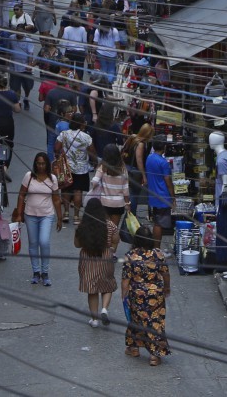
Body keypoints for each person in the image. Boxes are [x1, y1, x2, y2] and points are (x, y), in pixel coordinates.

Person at [122, 229, 171, 365]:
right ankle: (154, 355)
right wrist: (167, 287)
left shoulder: (130, 256)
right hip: (155, 293)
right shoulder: (158, 255)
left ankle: (134, 348)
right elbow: (166, 274)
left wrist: (124, 296)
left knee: (136, 319)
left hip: (136, 293)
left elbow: (125, 279)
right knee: (154, 321)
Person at [14, 152, 63, 287]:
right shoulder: (29, 177)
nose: (41, 166)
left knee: (44, 241)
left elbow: (56, 199)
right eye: (38, 163)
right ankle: (36, 272)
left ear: (47, 164)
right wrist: (19, 213)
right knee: (33, 243)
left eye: (43, 163)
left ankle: (45, 272)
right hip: (30, 214)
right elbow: (21, 195)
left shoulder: (52, 179)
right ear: (35, 164)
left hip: (47, 215)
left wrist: (60, 217)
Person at [74, 198, 119, 327]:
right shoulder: (110, 225)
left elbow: (77, 245)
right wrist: (112, 249)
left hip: (88, 257)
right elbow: (116, 239)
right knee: (107, 284)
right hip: (105, 256)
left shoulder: (82, 226)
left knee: (92, 289)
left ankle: (94, 320)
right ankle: (104, 309)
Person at [56, 113, 94, 218]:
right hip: (81, 169)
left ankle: (66, 213)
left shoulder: (64, 134)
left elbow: (56, 148)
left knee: (66, 189)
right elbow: (92, 153)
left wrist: (61, 155)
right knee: (78, 191)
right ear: (81, 124)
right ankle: (76, 216)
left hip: (66, 167)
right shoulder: (86, 137)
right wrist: (94, 162)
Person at [144, 138, 175, 247]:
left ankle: (156, 248)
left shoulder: (149, 158)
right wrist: (173, 198)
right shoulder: (163, 163)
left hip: (153, 195)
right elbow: (168, 182)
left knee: (157, 222)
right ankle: (157, 249)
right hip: (163, 196)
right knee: (159, 224)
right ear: (164, 147)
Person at [89, 145, 130, 221]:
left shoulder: (103, 167)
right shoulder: (123, 168)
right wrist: (127, 203)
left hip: (105, 202)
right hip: (119, 203)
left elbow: (94, 182)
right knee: (114, 229)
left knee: (106, 227)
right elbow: (125, 189)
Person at [122, 124, 153, 216]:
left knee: (130, 193)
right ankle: (131, 217)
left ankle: (130, 216)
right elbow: (139, 160)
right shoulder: (141, 144)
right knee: (134, 195)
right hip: (134, 172)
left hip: (126, 169)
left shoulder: (133, 138)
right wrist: (143, 176)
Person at [93, 19, 123, 86]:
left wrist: (92, 52)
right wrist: (120, 54)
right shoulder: (114, 31)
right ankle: (109, 83)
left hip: (100, 53)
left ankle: (103, 83)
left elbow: (95, 43)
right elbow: (117, 43)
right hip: (112, 54)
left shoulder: (98, 30)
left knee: (104, 68)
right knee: (111, 69)